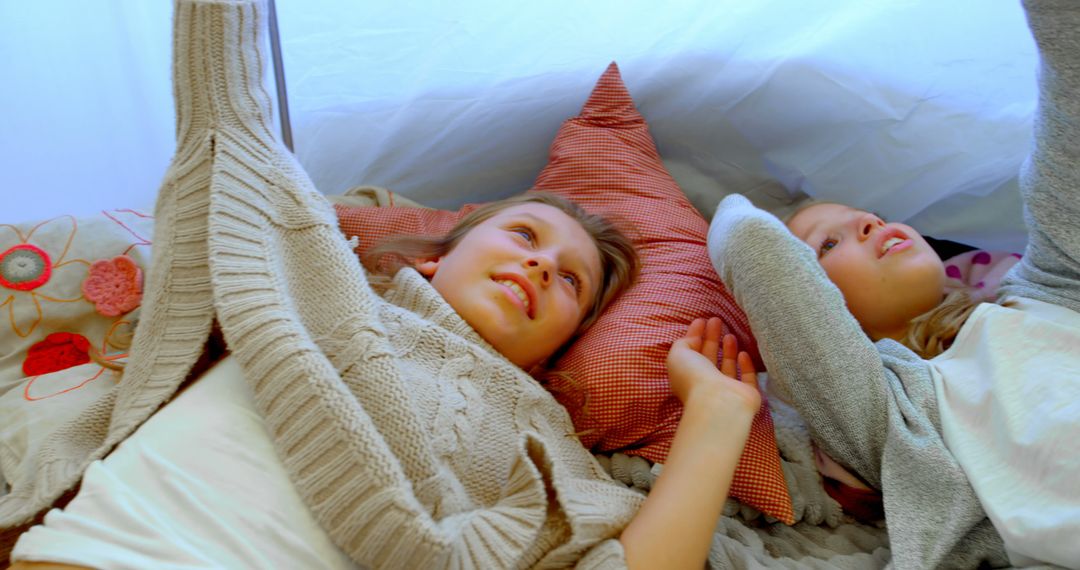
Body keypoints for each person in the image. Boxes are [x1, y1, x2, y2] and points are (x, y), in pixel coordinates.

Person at [9, 192, 762, 570]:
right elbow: (226, 202)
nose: (540, 265)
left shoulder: (541, 434)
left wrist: (718, 415)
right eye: (525, 236)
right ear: (436, 256)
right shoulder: (318, 285)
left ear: (559, 345)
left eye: (570, 280)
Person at [706, 0, 1080, 567]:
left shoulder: (1050, 289)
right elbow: (751, 244)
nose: (869, 221)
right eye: (827, 246)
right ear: (821, 309)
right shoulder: (895, 415)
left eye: (869, 216)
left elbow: (1068, 116)